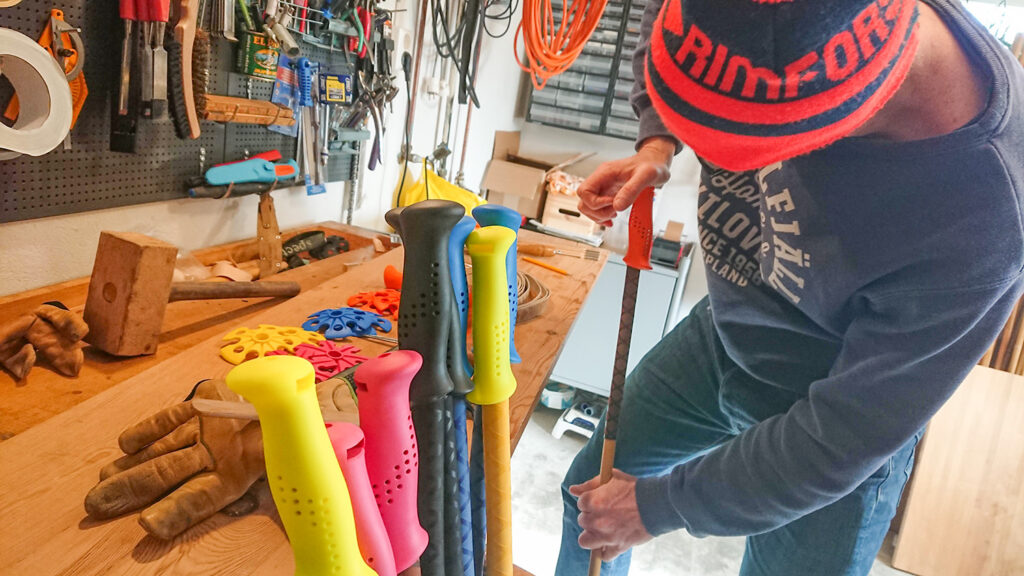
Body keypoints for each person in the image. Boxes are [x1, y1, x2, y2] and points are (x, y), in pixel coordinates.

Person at [557, 0, 1024, 574]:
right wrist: (659, 141)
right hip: (732, 325)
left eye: (743, 151)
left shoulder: (985, 218)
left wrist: (660, 506)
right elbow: (670, 18)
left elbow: (839, 440)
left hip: (833, 412)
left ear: (831, 129)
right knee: (592, 505)